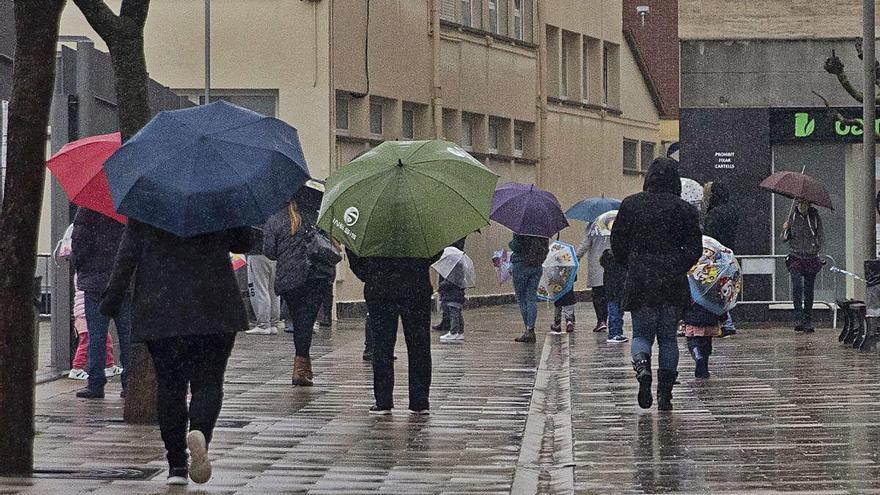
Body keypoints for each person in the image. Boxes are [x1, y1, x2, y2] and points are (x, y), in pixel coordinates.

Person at [101, 220, 253, 486]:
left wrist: (112, 300)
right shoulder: (217, 192)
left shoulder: (149, 201)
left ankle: (177, 466)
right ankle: (200, 431)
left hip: (162, 309)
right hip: (214, 307)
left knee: (170, 387)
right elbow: (244, 242)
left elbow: (128, 254)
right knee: (209, 382)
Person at [611, 157, 702, 411]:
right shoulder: (684, 210)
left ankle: (642, 369)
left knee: (641, 334)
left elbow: (617, 242)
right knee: (668, 339)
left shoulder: (631, 205)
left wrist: (632, 262)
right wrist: (677, 264)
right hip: (671, 282)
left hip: (641, 280)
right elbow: (695, 248)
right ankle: (665, 394)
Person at [347, 248, 440, 415]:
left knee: (382, 345)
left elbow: (354, 250)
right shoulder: (418, 225)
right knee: (419, 346)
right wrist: (419, 266)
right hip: (415, 285)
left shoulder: (373, 225)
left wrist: (369, 274)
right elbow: (435, 250)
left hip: (380, 286)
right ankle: (419, 401)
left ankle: (383, 401)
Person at [263, 198, 338, 386]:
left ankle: (303, 364)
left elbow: (269, 251)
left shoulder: (275, 219)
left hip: (290, 279)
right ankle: (301, 364)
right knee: (305, 321)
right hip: (315, 277)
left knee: (299, 320)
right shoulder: (317, 216)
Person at [70, 208, 131, 399]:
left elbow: (79, 246)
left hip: (94, 284)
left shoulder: (88, 210)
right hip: (122, 282)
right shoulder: (127, 209)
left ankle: (96, 384)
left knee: (96, 336)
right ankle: (128, 383)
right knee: (127, 335)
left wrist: (79, 265)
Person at [703, 181, 739, 337]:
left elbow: (710, 237)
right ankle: (726, 322)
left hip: (716, 258)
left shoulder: (714, 214)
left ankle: (727, 322)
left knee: (714, 292)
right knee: (723, 291)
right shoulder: (731, 211)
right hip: (728, 256)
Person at [783, 199, 825, 333]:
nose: (802, 205)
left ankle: (807, 319)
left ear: (809, 204)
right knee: (797, 287)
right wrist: (786, 229)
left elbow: (820, 235)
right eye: (800, 203)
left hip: (811, 257)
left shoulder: (815, 217)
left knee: (808, 289)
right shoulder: (792, 216)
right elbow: (784, 238)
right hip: (795, 256)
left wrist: (818, 249)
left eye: (805, 203)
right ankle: (799, 318)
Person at [68, 280, 121, 380]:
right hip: (84, 316)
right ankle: (77, 368)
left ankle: (109, 365)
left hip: (82, 315)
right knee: (87, 342)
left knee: (104, 338)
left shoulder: (83, 278)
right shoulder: (87, 284)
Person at [510, 234, 550, 343]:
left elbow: (516, 246)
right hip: (536, 266)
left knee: (522, 298)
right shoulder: (542, 231)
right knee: (531, 298)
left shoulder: (521, 230)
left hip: (520, 265)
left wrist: (511, 243)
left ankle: (528, 331)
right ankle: (531, 328)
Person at [245, 225, 282, 335]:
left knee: (259, 289)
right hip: (275, 253)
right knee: (273, 291)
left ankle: (263, 324)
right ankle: (273, 324)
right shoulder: (276, 211)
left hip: (257, 252)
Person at [576, 222, 610, 333]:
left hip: (597, 263)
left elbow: (585, 244)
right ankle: (612, 322)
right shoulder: (616, 223)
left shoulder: (593, 225)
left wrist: (576, 257)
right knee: (611, 295)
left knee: (598, 294)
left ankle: (601, 321)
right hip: (612, 263)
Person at [682, 301, 725, 378]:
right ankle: (704, 371)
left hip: (693, 320)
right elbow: (720, 304)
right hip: (710, 320)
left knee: (692, 342)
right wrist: (722, 317)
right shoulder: (712, 291)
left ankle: (697, 356)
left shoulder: (692, 291)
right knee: (706, 345)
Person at [433, 238, 467, 333]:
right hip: (450, 257)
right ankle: (450, 322)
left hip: (451, 259)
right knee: (451, 300)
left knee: (450, 296)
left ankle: (452, 326)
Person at [600, 249, 628, 344]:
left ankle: (617, 332)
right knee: (615, 311)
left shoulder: (608, 259)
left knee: (618, 311)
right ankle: (614, 333)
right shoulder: (617, 259)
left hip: (614, 289)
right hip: (615, 289)